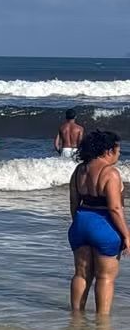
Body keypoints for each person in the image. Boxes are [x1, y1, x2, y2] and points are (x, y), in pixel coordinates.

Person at [68, 130, 130, 314]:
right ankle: (101, 324)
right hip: (104, 225)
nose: (119, 155)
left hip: (81, 222)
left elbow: (73, 201)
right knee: (105, 278)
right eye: (118, 150)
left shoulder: (79, 170)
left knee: (81, 274)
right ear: (108, 151)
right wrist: (127, 235)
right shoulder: (110, 173)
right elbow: (115, 208)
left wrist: (78, 222)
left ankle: (76, 318)